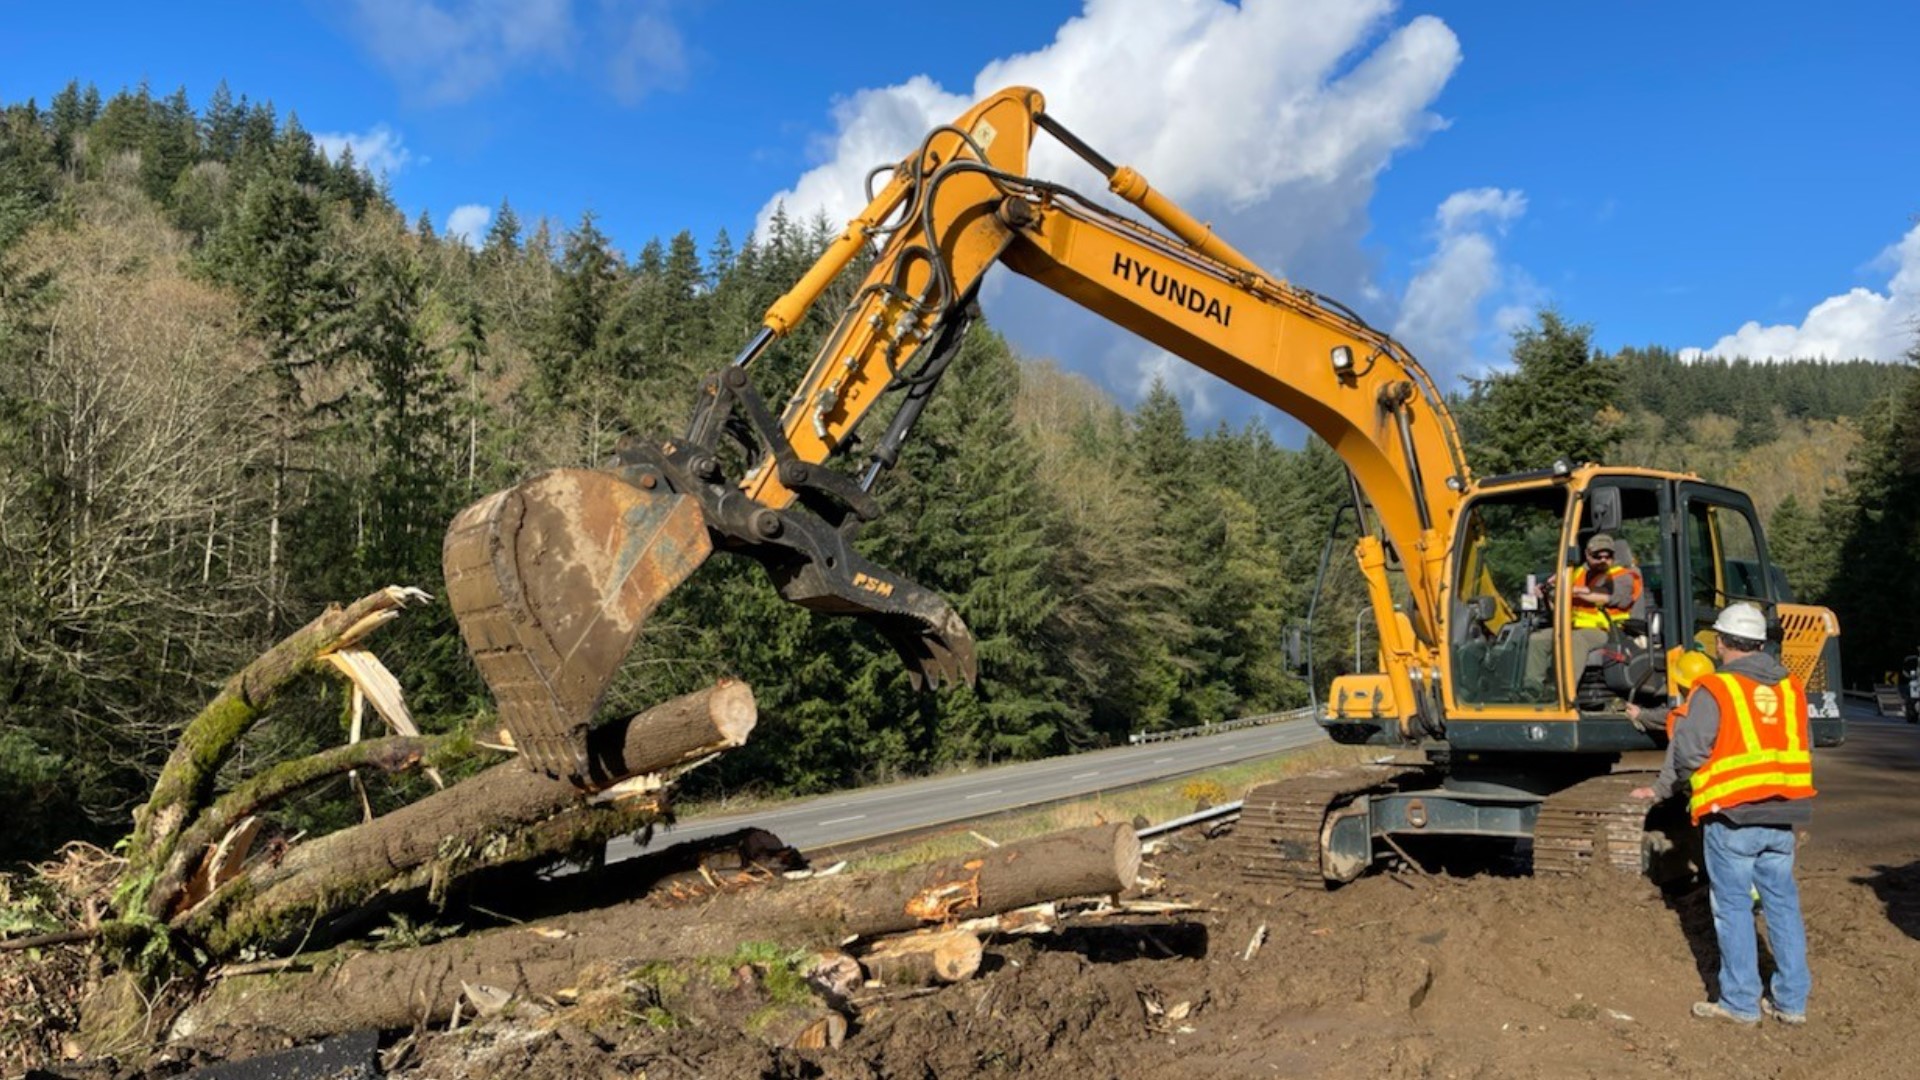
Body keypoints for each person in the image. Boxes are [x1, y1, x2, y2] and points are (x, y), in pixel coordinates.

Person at [1630, 602, 1816, 1026]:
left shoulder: (1715, 688)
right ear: (1762, 644)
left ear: (1721, 642)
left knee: (1731, 908)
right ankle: (1791, 1003)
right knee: (1783, 905)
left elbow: (1690, 751)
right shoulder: (1791, 687)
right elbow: (1802, 744)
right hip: (1783, 812)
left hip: (1733, 815)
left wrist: (1663, 788)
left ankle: (1740, 1003)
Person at [1523, 533, 1644, 691]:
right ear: (1587, 554)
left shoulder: (1622, 575)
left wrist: (1572, 590)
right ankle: (1533, 687)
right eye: (1597, 556)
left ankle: (1565, 692)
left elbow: (1605, 596)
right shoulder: (1578, 573)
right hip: (1576, 626)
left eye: (1608, 556)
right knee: (1539, 638)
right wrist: (1546, 591)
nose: (1603, 560)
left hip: (1609, 630)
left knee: (1576, 639)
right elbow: (1558, 599)